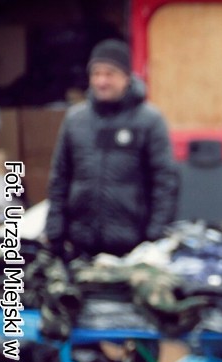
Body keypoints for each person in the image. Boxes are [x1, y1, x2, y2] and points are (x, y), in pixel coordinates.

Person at [45, 39, 179, 260]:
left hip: (132, 247)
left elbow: (165, 182)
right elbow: (59, 178)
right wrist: (55, 231)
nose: (101, 81)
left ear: (126, 77)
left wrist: (155, 236)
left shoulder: (149, 120)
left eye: (110, 74)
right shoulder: (75, 120)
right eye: (96, 74)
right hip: (80, 245)